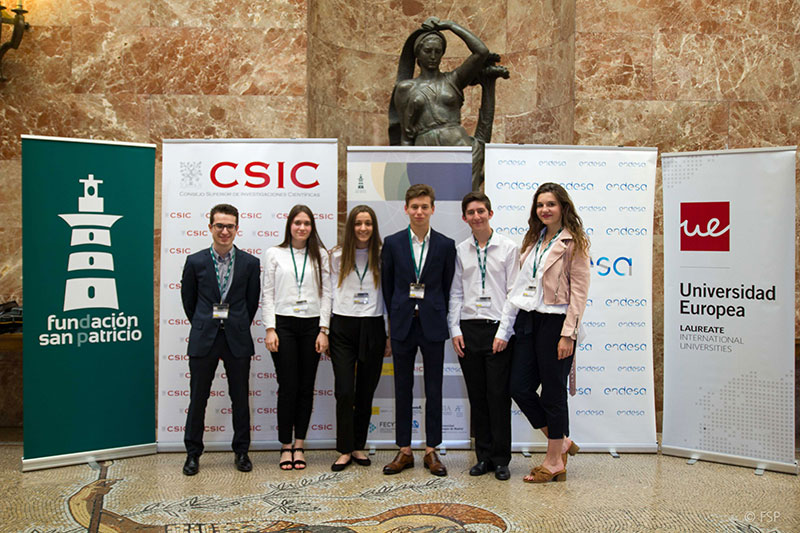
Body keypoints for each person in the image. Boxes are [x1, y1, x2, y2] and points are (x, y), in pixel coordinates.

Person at [495, 183, 591, 483]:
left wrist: (568, 334)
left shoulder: (573, 242)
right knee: (519, 387)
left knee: (552, 392)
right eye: (540, 205)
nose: (545, 209)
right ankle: (560, 441)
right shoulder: (533, 240)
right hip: (528, 321)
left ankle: (554, 462)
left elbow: (579, 293)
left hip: (556, 324)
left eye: (550, 204)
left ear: (563, 207)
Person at [381, 184, 456, 476]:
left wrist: (436, 309)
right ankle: (404, 450)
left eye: (425, 207)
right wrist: (393, 320)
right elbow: (388, 286)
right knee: (403, 388)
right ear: (406, 209)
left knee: (434, 388)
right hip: (402, 324)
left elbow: (448, 286)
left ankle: (431, 450)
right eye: (414, 207)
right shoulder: (393, 243)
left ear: (432, 209)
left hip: (432, 324)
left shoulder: (446, 245)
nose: (420, 212)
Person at [180, 203, 261, 476]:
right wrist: (205, 323)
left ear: (237, 228)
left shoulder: (250, 263)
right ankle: (192, 453)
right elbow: (189, 301)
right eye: (219, 226)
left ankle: (241, 451)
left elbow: (251, 301)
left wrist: (235, 323)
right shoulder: (195, 261)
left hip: (237, 338)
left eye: (229, 226)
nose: (224, 231)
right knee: (198, 398)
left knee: (240, 398)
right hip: (204, 338)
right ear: (210, 227)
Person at [388, 17, 509, 188]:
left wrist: (450, 26)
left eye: (438, 51)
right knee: (428, 197)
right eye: (428, 51)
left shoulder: (453, 80)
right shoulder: (405, 88)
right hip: (425, 148)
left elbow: (481, 52)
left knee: (464, 196)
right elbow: (406, 136)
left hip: (459, 144)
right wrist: (405, 168)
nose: (433, 56)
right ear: (418, 54)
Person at [448, 191, 519, 481]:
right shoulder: (460, 250)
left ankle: (501, 459)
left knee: (498, 396)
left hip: (497, 330)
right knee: (477, 397)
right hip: (469, 330)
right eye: (471, 212)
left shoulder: (508, 248)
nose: (476, 216)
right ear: (464, 217)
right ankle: (484, 457)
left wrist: (504, 331)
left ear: (490, 213)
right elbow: (455, 293)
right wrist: (454, 329)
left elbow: (513, 293)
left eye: (481, 211)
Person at [262, 204, 331, 470]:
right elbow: (267, 293)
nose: (302, 228)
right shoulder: (274, 253)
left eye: (307, 223)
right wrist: (270, 328)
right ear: (289, 225)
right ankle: (285, 445)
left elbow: (327, 294)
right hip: (284, 326)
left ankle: (299, 444)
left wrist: (324, 330)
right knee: (288, 386)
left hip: (312, 326)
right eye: (297, 223)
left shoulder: (321, 255)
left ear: (312, 227)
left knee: (305, 386)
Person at [328, 206, 391, 471]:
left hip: (373, 326)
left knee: (366, 391)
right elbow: (328, 293)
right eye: (358, 223)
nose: (363, 228)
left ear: (374, 227)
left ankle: (357, 446)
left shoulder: (383, 255)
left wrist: (389, 334)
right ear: (350, 227)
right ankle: (344, 449)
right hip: (342, 326)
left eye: (368, 223)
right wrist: (325, 329)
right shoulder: (337, 256)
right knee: (344, 391)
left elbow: (388, 297)